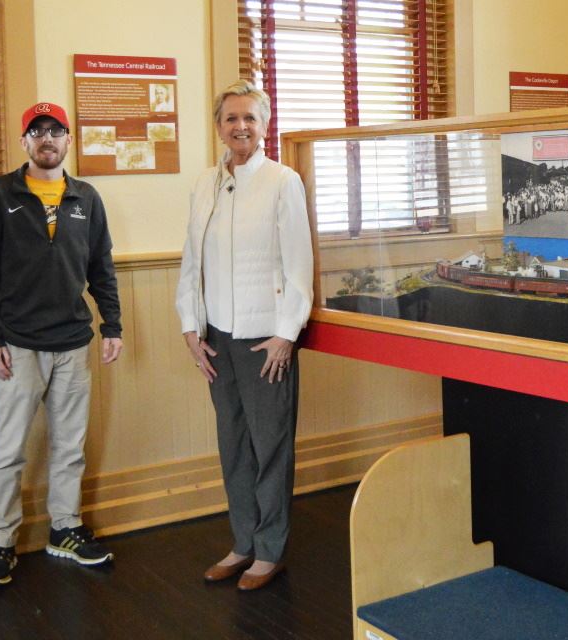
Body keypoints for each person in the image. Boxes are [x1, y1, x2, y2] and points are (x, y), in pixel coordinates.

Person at [0, 101, 124, 588]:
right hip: (17, 345)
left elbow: (101, 266)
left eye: (56, 131)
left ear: (68, 140)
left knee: (69, 447)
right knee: (9, 450)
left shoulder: (86, 197)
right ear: (25, 142)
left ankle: (65, 529)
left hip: (73, 342)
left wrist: (111, 325)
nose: (47, 139)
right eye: (37, 132)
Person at [175, 80, 313, 591]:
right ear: (218, 126)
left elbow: (299, 264)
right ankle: (243, 541)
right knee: (233, 443)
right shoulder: (205, 184)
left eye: (250, 118)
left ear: (265, 124)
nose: (240, 127)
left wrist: (285, 335)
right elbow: (193, 260)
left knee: (270, 444)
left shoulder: (282, 181)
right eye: (231, 118)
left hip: (264, 339)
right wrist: (190, 326)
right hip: (217, 338)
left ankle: (269, 549)